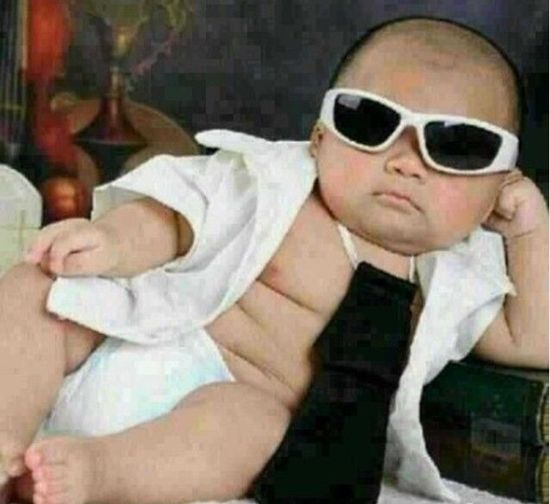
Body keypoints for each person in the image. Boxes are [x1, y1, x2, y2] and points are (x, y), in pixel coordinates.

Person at [0, 16, 547, 504]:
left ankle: (97, 473)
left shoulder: (455, 280)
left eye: (458, 146)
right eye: (369, 123)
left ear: (500, 184)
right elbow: (178, 214)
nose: (406, 162)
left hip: (210, 420)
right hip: (129, 341)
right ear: (320, 137)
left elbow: (534, 339)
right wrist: (113, 242)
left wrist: (528, 228)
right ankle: (7, 432)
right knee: (35, 289)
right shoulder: (274, 182)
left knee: (257, 428)